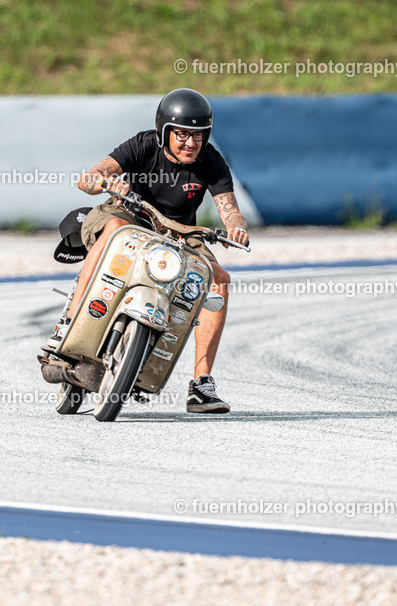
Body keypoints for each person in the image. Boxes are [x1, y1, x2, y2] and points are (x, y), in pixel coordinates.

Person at [52, 88, 250, 414]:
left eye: (198, 136)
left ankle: (201, 385)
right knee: (115, 229)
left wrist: (236, 227)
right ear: (164, 133)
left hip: (179, 231)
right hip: (129, 214)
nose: (191, 143)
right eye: (182, 135)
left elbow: (229, 208)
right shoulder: (143, 145)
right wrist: (107, 183)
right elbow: (87, 179)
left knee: (219, 279)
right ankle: (71, 322)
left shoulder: (210, 161)